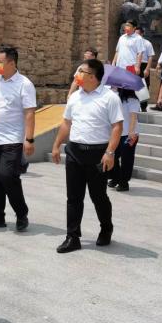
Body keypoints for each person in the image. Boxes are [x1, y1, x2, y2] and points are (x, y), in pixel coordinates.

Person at [51, 59, 123, 253]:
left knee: (98, 196)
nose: (77, 74)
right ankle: (72, 237)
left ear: (93, 76)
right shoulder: (75, 97)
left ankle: (106, 228)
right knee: (73, 197)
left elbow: (117, 127)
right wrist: (56, 145)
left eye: (81, 71)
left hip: (98, 154)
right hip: (74, 151)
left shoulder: (110, 98)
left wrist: (110, 152)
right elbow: (66, 123)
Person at [0, 46, 36, 232]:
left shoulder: (24, 84)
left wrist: (29, 139)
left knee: (7, 176)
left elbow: (29, 113)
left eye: (0, 61)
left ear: (12, 63)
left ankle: (21, 213)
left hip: (12, 139)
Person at [110, 88, 140, 192]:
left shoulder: (133, 100)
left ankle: (124, 182)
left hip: (129, 135)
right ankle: (116, 177)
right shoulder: (116, 98)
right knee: (113, 155)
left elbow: (133, 117)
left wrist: (131, 132)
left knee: (126, 159)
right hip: (117, 133)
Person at [136, 27, 154, 111]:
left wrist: (147, 69)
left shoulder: (147, 43)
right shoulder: (133, 42)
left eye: (138, 33)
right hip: (133, 64)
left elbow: (150, 56)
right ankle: (134, 105)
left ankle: (143, 106)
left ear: (142, 34)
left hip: (143, 65)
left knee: (144, 86)